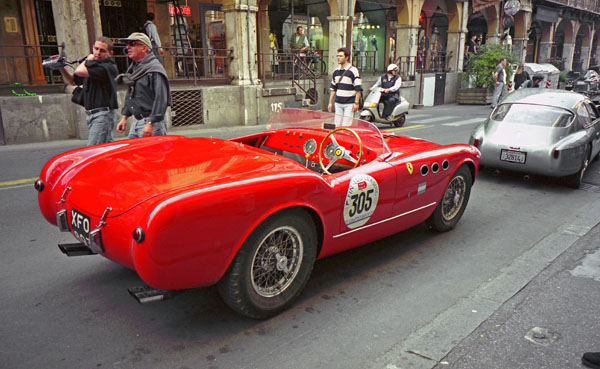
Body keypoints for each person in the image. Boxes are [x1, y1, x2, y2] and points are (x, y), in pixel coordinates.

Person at [58, 36, 119, 146]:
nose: (98, 52)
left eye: (102, 50)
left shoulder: (108, 67)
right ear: (92, 47)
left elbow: (79, 71)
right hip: (92, 115)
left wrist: (87, 59)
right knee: (104, 151)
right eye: (96, 49)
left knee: (92, 150)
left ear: (110, 53)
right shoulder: (92, 66)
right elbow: (73, 81)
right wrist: (61, 67)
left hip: (103, 115)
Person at [116, 32, 171, 138]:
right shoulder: (135, 68)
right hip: (137, 121)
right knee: (133, 153)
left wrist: (151, 123)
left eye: (132, 44)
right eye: (127, 44)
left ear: (144, 48)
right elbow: (130, 94)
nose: (128, 47)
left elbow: (161, 99)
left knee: (153, 154)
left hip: (152, 122)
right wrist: (124, 117)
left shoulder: (154, 69)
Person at [328, 47, 362, 126]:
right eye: (337, 56)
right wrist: (330, 103)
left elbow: (358, 89)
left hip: (349, 103)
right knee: (337, 125)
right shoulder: (336, 71)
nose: (338, 58)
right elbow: (333, 88)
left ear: (347, 57)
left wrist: (356, 103)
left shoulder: (353, 70)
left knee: (346, 125)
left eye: (340, 56)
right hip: (338, 102)